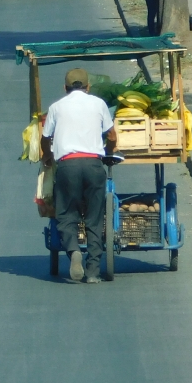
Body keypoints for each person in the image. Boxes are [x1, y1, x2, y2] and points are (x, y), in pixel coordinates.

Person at [41, 67, 117, 283]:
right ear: (88, 87)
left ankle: (74, 251)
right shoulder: (98, 104)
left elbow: (45, 138)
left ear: (65, 88)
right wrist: (109, 152)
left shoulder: (56, 107)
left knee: (65, 214)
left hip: (68, 166)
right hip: (93, 164)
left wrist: (47, 156)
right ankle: (93, 272)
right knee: (94, 217)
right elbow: (111, 134)